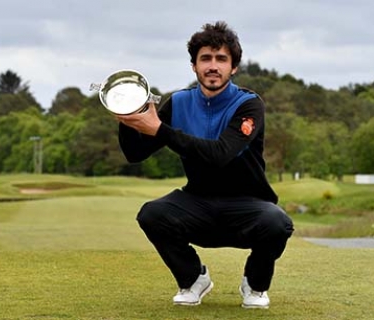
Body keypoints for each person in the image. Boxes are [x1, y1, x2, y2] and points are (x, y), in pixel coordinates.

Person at [115, 21, 294, 309]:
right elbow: (136, 154)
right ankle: (193, 279)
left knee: (277, 223)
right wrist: (126, 117)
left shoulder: (249, 105)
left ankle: (255, 284)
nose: (213, 66)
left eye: (221, 59)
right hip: (197, 203)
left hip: (248, 206)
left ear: (233, 67)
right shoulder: (179, 103)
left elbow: (220, 153)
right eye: (205, 59)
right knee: (151, 214)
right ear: (194, 66)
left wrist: (160, 129)